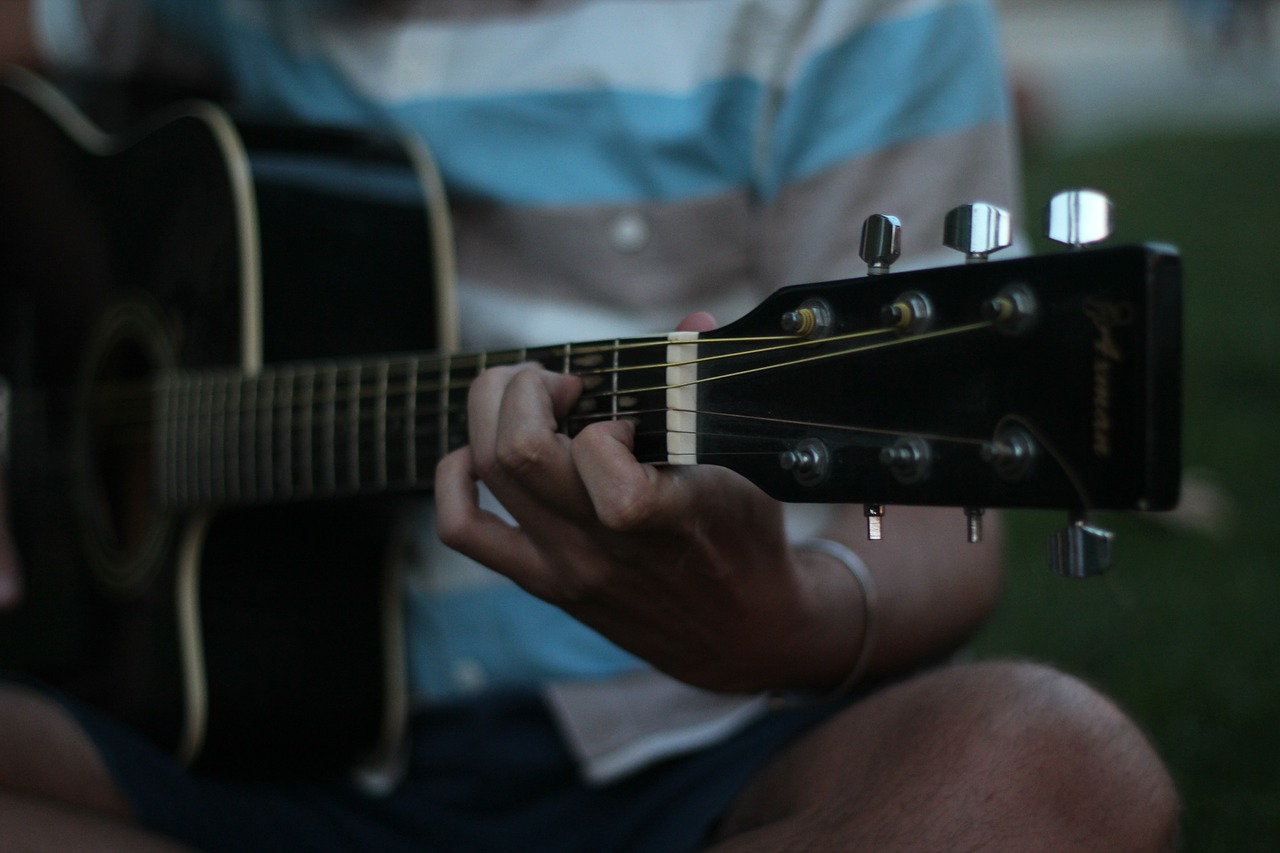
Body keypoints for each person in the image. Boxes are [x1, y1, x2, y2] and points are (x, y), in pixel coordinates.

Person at [0, 1, 1180, 850]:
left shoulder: (842, 15)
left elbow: (936, 543)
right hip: (233, 742)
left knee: (1051, 765)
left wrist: (782, 627)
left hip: (708, 750)